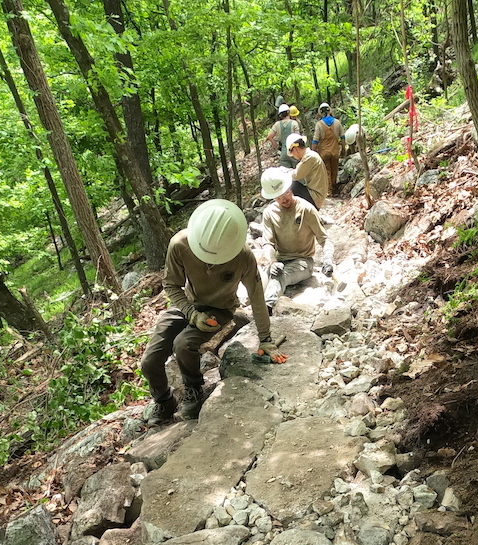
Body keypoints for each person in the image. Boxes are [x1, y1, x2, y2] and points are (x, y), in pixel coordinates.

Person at [140, 200, 287, 424]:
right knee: (150, 361)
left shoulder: (243, 256)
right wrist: (191, 313)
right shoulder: (180, 244)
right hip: (186, 304)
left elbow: (257, 295)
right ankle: (164, 400)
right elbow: (171, 285)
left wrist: (265, 338)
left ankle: (194, 389)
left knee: (183, 344)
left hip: (220, 308)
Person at [259, 168, 334, 312]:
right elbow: (268, 243)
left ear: (290, 188)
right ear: (273, 198)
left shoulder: (306, 209)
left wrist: (328, 260)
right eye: (278, 197)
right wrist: (273, 262)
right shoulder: (269, 213)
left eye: (286, 193)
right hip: (280, 260)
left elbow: (324, 239)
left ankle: (266, 310)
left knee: (281, 276)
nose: (284, 200)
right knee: (259, 280)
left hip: (303, 261)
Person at [286, 133, 327, 210]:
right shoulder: (310, 155)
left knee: (290, 184)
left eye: (292, 154)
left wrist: (284, 172)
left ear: (295, 149)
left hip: (315, 198)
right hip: (316, 196)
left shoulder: (309, 157)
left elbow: (295, 175)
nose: (294, 157)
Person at [312, 102, 342, 195]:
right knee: (334, 170)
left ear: (320, 112)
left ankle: (329, 191)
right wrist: (343, 149)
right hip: (335, 151)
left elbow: (315, 140)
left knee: (326, 171)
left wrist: (313, 152)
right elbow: (343, 137)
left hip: (324, 152)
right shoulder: (337, 122)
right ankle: (334, 188)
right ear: (330, 111)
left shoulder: (319, 124)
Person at [266, 104, 301, 170]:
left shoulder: (277, 124)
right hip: (294, 152)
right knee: (298, 173)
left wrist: (277, 147)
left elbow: (269, 137)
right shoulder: (294, 123)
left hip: (284, 153)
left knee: (286, 174)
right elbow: (298, 139)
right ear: (288, 112)